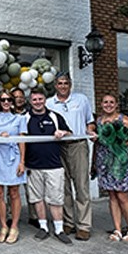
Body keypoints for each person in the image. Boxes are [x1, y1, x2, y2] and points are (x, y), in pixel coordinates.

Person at [46, 71, 95, 241]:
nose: (63, 86)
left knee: (81, 186)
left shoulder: (81, 100)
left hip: (78, 145)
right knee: (63, 186)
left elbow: (90, 122)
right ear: (55, 85)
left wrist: (91, 132)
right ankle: (68, 222)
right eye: (59, 83)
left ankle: (83, 225)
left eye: (65, 83)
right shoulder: (48, 103)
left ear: (70, 84)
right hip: (58, 147)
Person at [24, 88, 72, 245]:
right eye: (34, 99)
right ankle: (43, 227)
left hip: (54, 165)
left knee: (55, 199)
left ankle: (59, 229)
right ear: (30, 101)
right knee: (37, 198)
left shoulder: (55, 117)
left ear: (45, 99)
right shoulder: (24, 118)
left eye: (40, 99)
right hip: (33, 165)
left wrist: (63, 133)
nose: (38, 102)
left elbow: (70, 133)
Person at [93, 93, 128, 243]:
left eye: (111, 102)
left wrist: (119, 143)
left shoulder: (123, 120)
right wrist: (93, 163)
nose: (108, 105)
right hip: (104, 162)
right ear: (101, 104)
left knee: (123, 196)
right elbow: (97, 144)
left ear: (116, 105)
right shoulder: (99, 122)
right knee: (112, 196)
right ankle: (117, 228)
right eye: (105, 102)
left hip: (120, 162)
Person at [0, 90, 26, 244]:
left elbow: (22, 140)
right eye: (3, 99)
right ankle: (3, 225)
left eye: (9, 99)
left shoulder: (19, 118)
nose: (6, 102)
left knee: (14, 192)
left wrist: (22, 161)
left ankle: (14, 226)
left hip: (14, 156)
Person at [11, 87, 38, 228]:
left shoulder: (31, 112)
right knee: (12, 187)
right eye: (15, 97)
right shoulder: (7, 113)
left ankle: (34, 216)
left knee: (31, 187)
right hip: (12, 154)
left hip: (30, 153)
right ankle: (11, 215)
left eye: (21, 96)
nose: (19, 99)